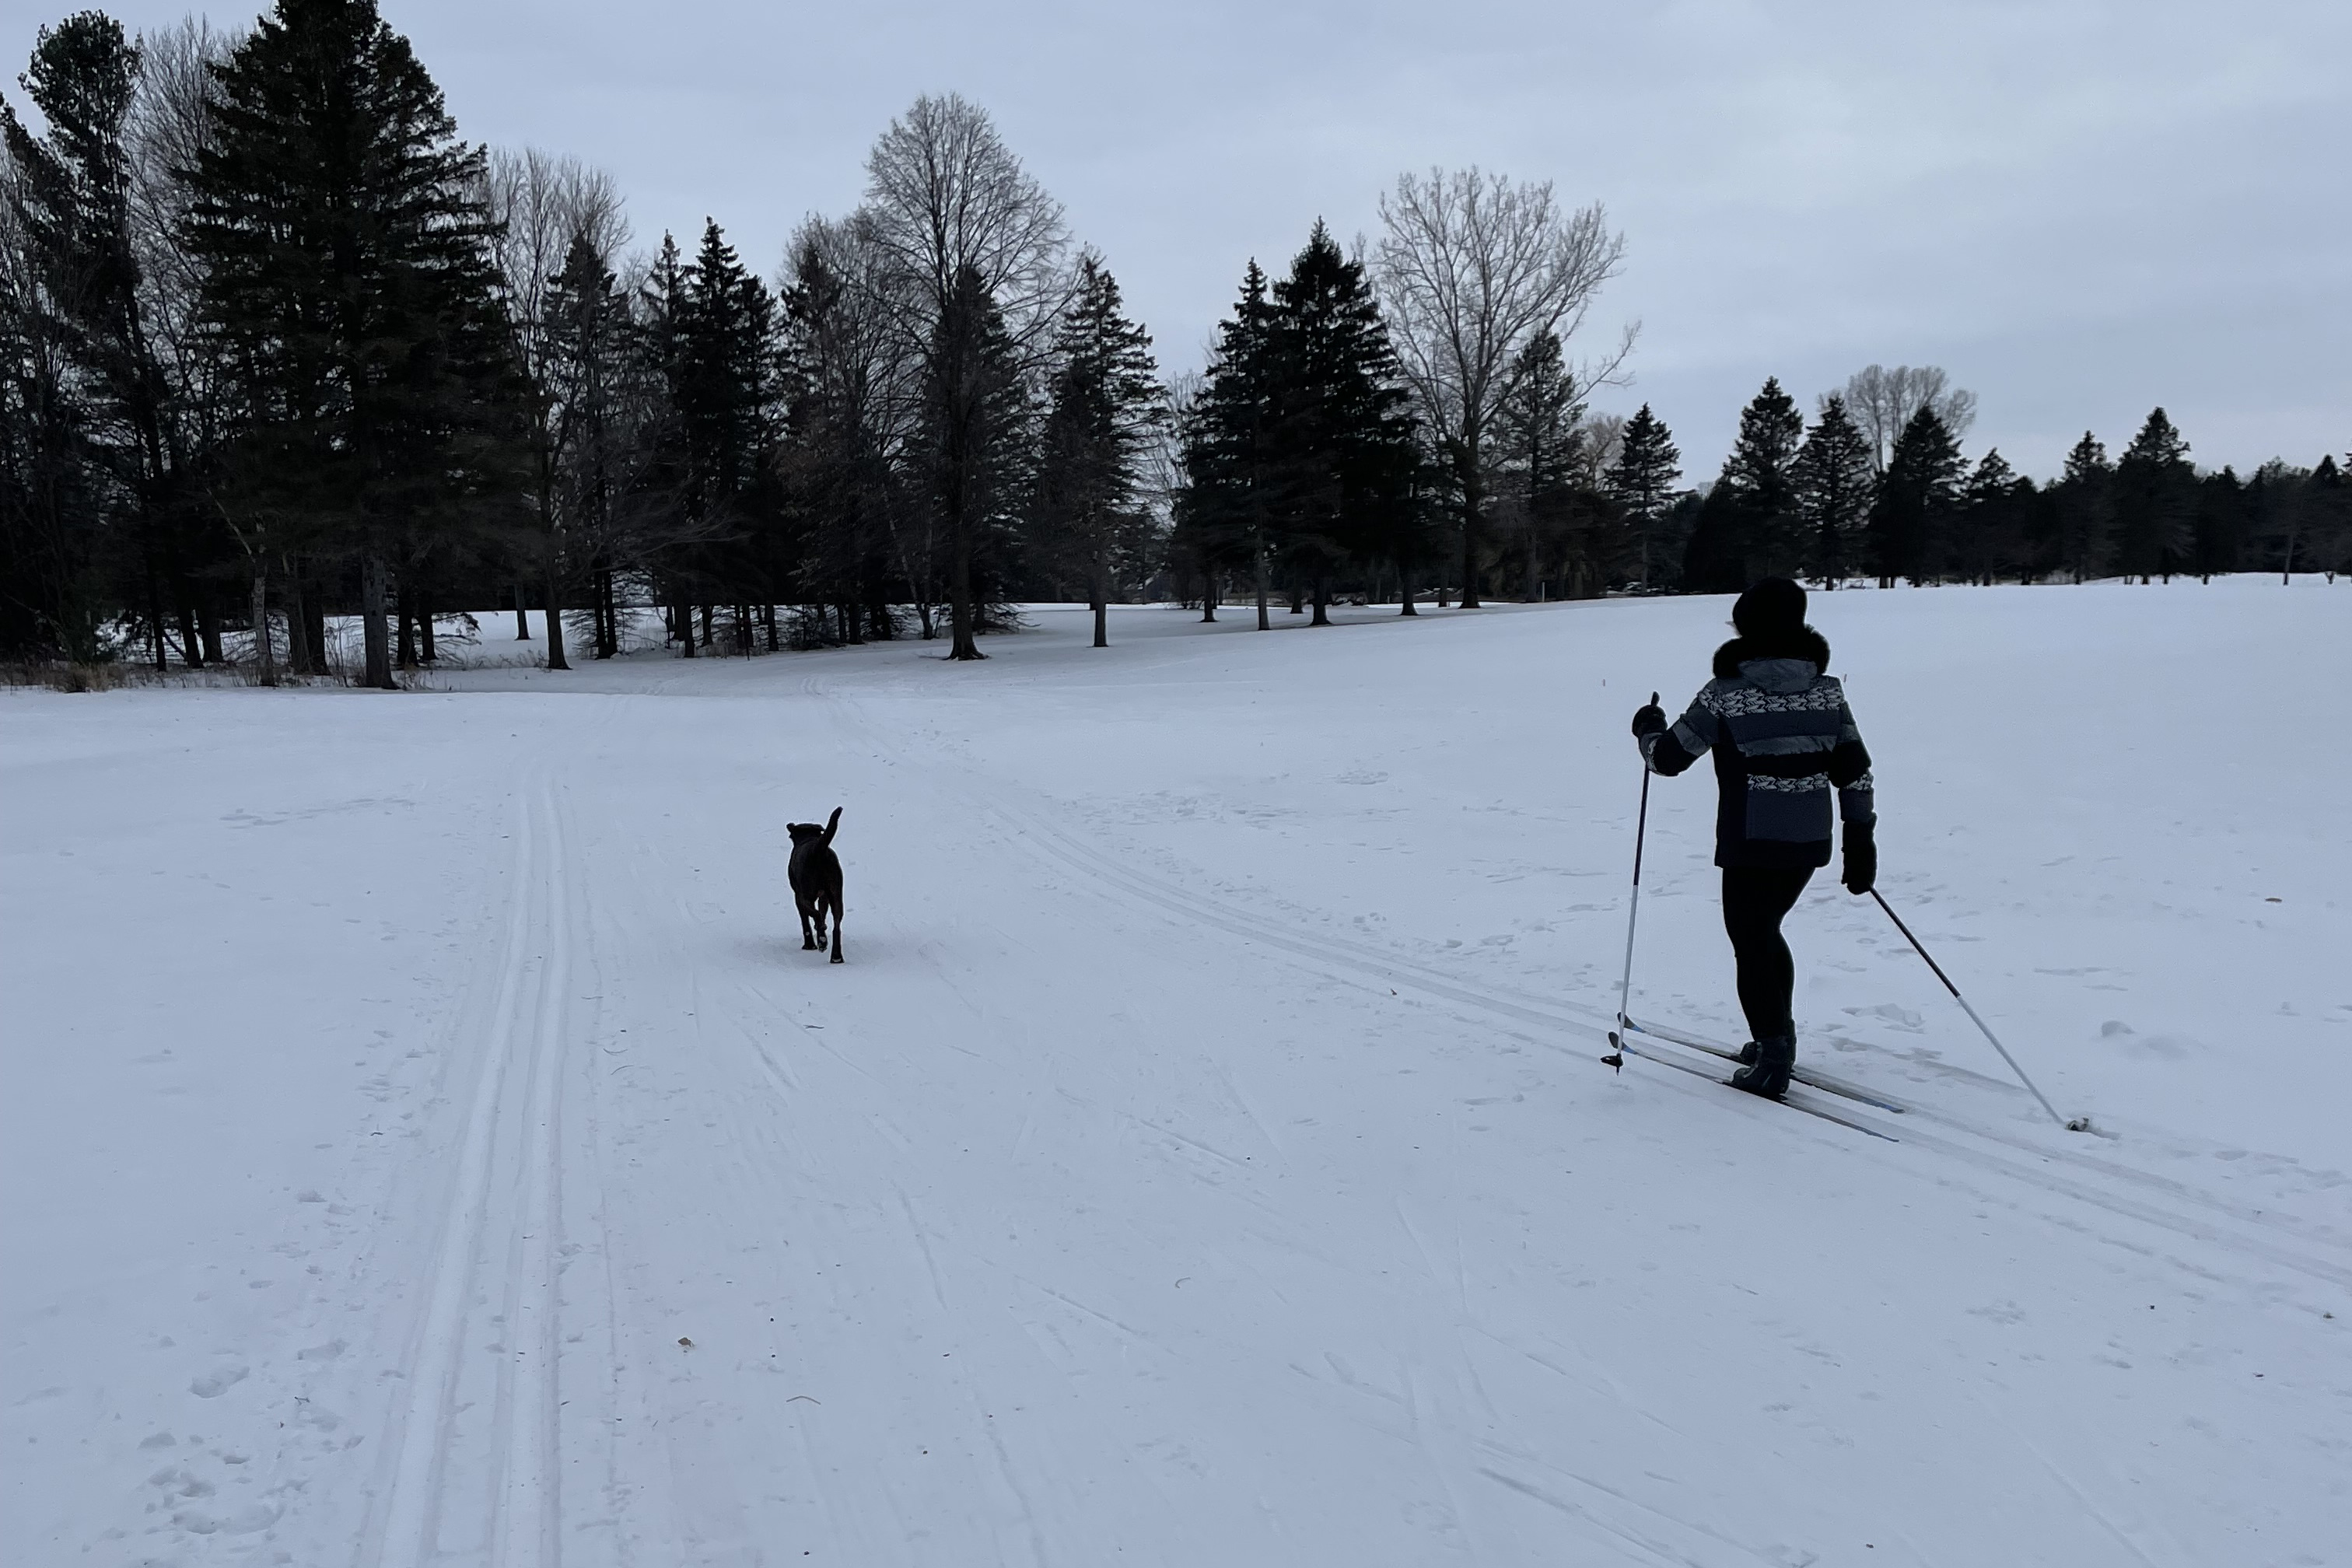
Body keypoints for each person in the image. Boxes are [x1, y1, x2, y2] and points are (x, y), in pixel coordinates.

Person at [1629, 577, 1875, 1098]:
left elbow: (1668, 759)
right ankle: (1773, 1039)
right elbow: (1854, 770)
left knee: (1752, 939)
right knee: (1766, 932)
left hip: (1751, 840)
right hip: (1810, 842)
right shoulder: (1827, 691)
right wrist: (1860, 841)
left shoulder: (1727, 694)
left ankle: (1773, 1060)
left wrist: (1646, 729)